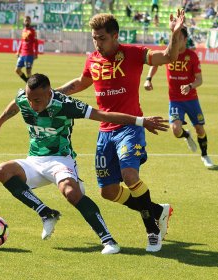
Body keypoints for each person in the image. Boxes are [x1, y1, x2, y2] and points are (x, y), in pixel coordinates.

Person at [0, 73, 169, 254]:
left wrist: (140, 121)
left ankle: (109, 241)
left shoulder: (65, 105)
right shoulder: (25, 98)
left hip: (60, 160)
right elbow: (16, 104)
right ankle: (46, 213)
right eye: (30, 99)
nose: (32, 105)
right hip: (34, 160)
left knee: (71, 193)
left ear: (49, 93)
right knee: (2, 171)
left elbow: (103, 115)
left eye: (37, 100)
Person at [55, 10, 185, 252]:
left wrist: (174, 34)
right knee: (108, 191)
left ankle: (152, 230)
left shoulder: (134, 54)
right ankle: (158, 211)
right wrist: (53, 93)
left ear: (115, 36)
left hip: (131, 126)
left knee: (129, 176)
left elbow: (168, 57)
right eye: (94, 38)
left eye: (102, 38)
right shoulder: (92, 59)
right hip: (105, 131)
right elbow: (80, 83)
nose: (97, 43)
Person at [144, 26, 214, 168]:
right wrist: (148, 78)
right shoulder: (169, 53)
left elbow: (199, 80)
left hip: (191, 99)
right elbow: (155, 64)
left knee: (200, 129)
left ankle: (205, 155)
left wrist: (189, 86)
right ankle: (186, 135)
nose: (176, 41)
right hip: (175, 100)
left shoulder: (192, 56)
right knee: (176, 131)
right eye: (174, 38)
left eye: (179, 38)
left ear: (185, 40)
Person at [15, 16, 38, 83]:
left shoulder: (32, 31)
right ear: (24, 22)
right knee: (17, 70)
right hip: (22, 54)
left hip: (29, 54)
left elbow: (36, 43)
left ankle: (30, 87)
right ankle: (28, 83)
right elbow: (22, 41)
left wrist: (36, 53)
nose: (27, 22)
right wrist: (18, 51)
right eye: (25, 20)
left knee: (28, 71)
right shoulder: (24, 30)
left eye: (28, 20)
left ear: (30, 21)